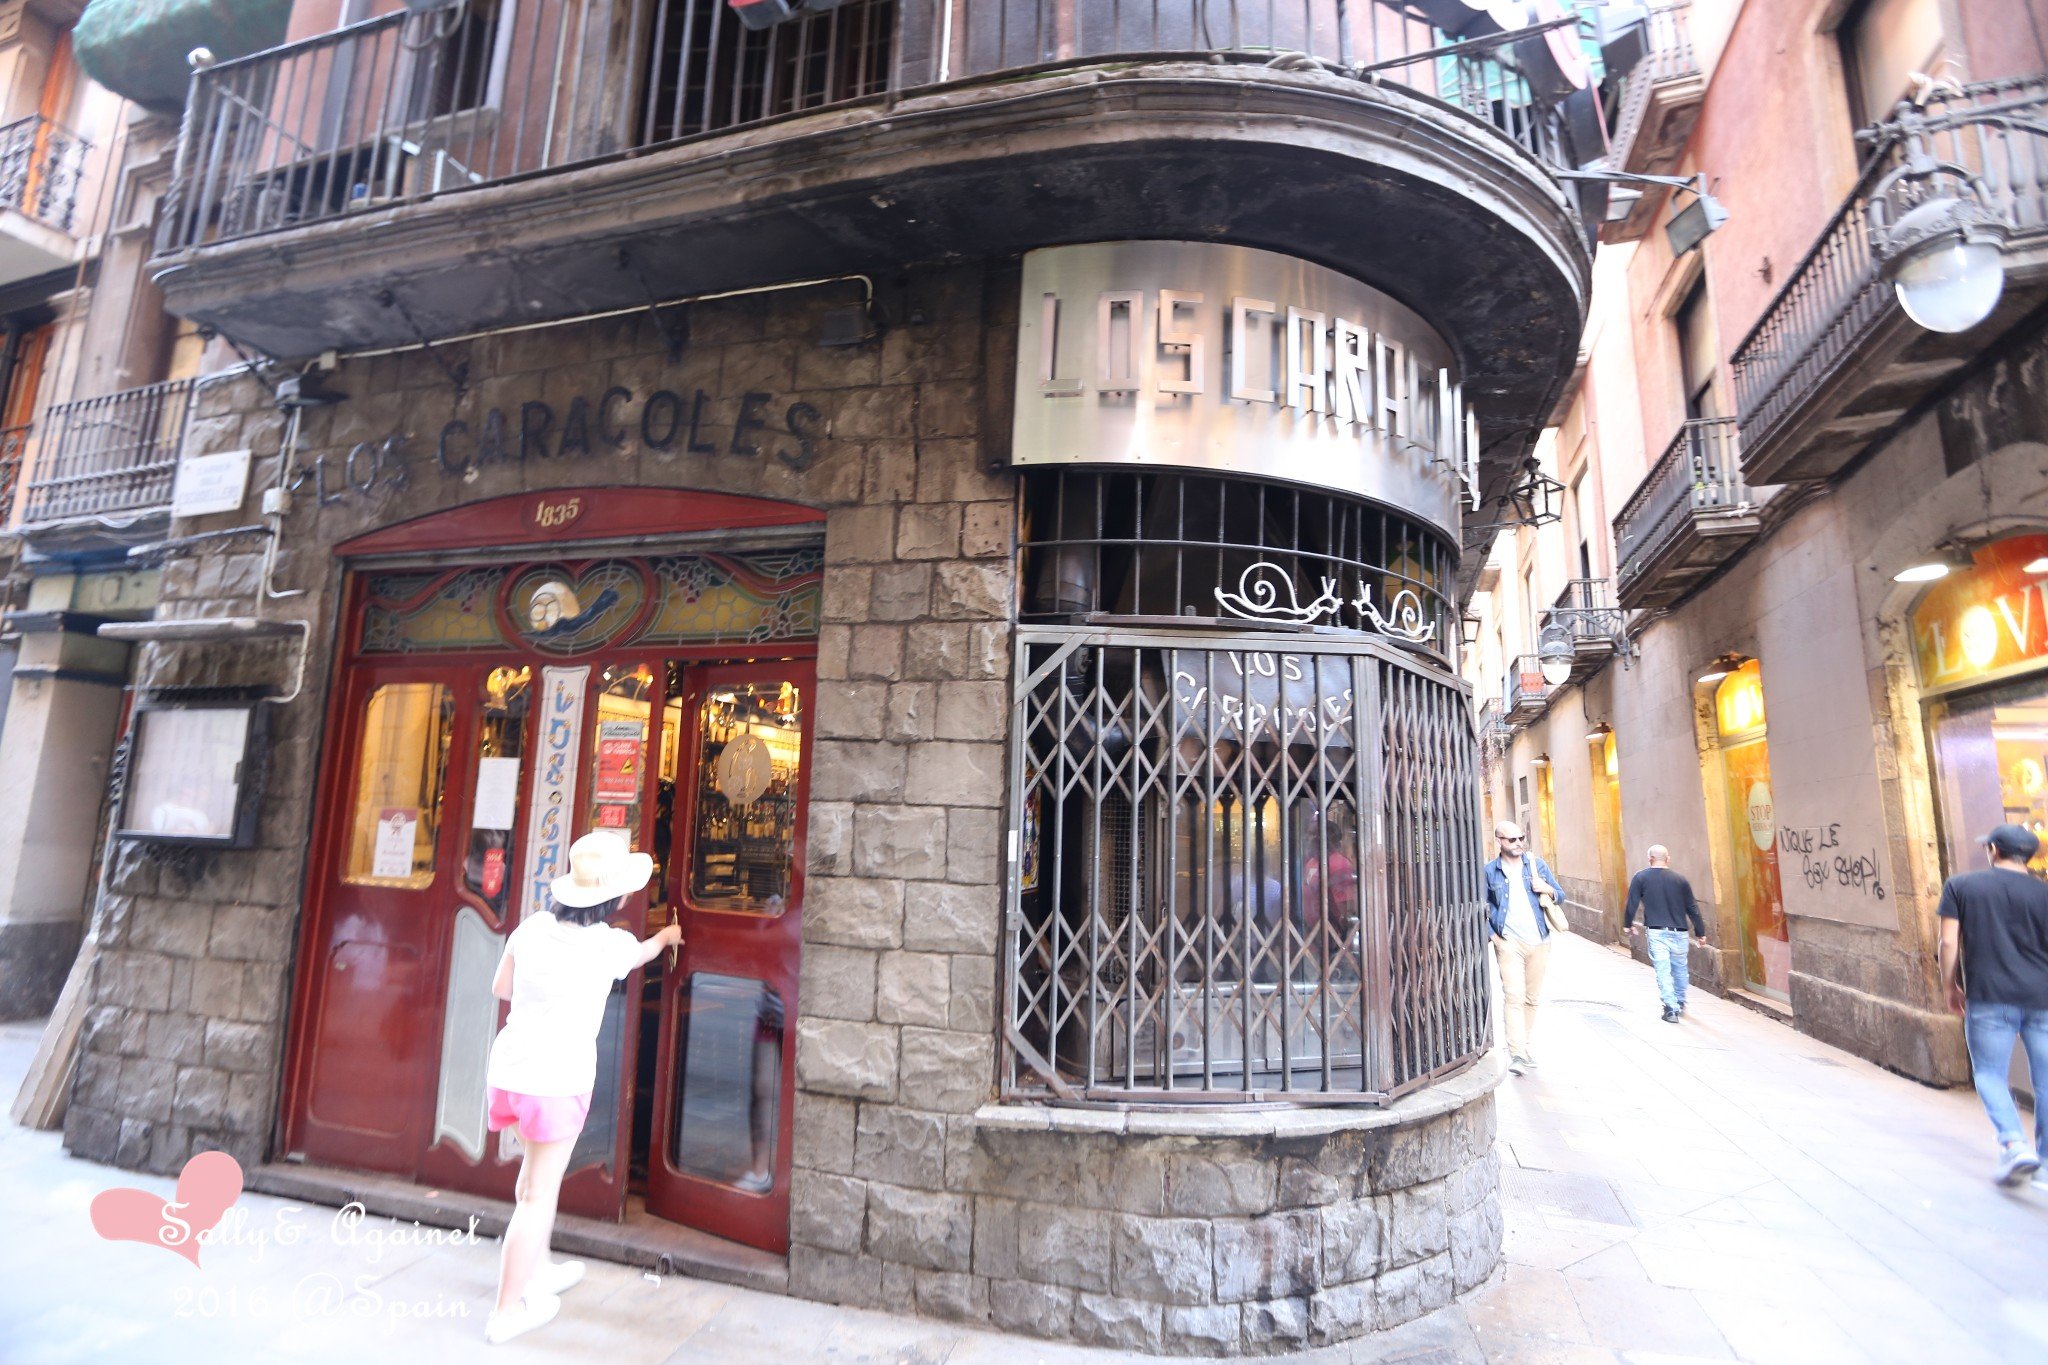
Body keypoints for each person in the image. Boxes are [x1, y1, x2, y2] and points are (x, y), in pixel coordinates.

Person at [482, 831, 682, 1343]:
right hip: (556, 1080)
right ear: (615, 898)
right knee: (536, 1195)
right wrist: (666, 939)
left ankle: (540, 1268)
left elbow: (501, 988)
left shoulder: (531, 928)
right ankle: (507, 1311)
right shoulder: (607, 945)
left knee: (533, 1180)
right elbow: (642, 953)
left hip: (510, 1070)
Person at [1937, 823, 2048, 1188]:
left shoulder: (1962, 886)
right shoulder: (2044, 893)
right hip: (2042, 998)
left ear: (1994, 850)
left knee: (1988, 1073)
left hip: (1989, 996)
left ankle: (2014, 1144)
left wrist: (1950, 985)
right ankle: (2045, 1165)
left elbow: (1948, 942)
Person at [1483, 821, 1565, 1074]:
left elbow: (1561, 895)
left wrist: (1548, 889)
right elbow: (1479, 905)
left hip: (1540, 941)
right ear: (1499, 841)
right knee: (1513, 996)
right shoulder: (1490, 871)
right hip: (1509, 943)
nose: (1518, 843)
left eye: (1521, 838)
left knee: (1531, 998)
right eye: (1512, 839)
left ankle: (1525, 1045)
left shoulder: (1537, 865)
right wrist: (1493, 937)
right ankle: (1517, 1053)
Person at [1624, 844, 1709, 1022]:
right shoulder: (1680, 879)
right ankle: (1680, 1001)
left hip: (1657, 932)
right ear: (1668, 859)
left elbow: (1632, 902)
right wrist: (1700, 932)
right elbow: (1692, 907)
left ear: (1650, 859)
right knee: (1680, 969)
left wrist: (1628, 924)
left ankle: (1670, 1008)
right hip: (1680, 932)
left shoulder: (1641, 877)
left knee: (1663, 970)